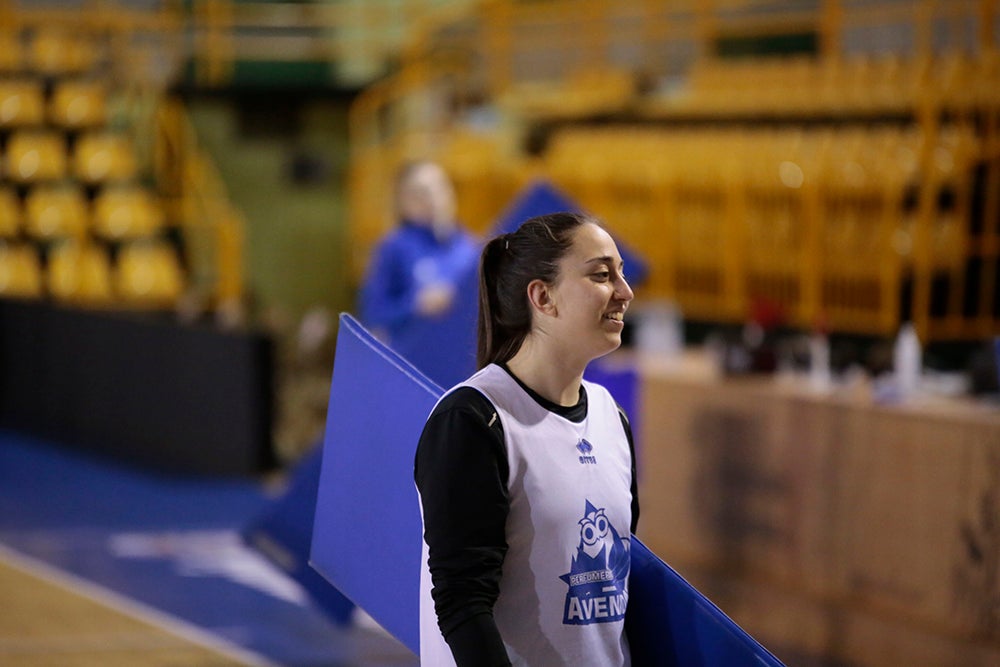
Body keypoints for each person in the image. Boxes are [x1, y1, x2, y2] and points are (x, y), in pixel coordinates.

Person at [414, 212, 640, 666]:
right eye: (602, 274)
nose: (625, 292)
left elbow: (616, 583)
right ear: (542, 297)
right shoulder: (474, 419)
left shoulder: (611, 417)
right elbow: (462, 604)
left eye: (621, 273)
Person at [359, 160, 479, 345]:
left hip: (465, 357)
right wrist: (416, 305)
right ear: (402, 202)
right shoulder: (393, 248)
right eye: (420, 193)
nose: (432, 199)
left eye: (438, 189)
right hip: (415, 358)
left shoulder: (471, 248)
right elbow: (372, 313)